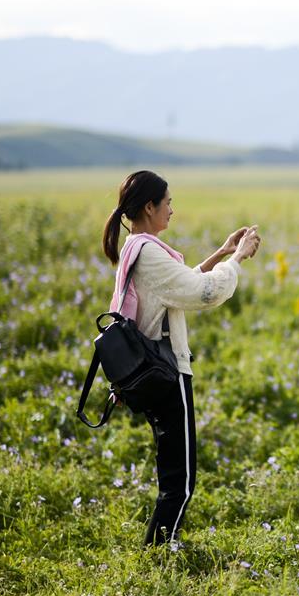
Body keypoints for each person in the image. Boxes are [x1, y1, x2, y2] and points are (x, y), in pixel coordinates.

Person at [101, 170, 261, 546]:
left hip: (152, 373)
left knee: (174, 475)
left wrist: (221, 252)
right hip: (167, 375)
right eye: (168, 202)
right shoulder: (150, 253)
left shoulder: (136, 248)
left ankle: (159, 549)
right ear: (149, 206)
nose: (172, 210)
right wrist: (237, 260)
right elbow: (202, 293)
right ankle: (159, 554)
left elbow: (176, 285)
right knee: (181, 480)